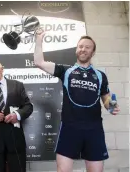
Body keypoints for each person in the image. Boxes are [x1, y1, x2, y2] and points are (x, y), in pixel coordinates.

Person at [34, 29, 120, 172]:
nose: (83, 49)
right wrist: (38, 39)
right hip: (70, 127)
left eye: (87, 47)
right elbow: (39, 62)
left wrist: (112, 106)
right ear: (76, 50)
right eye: (80, 46)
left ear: (92, 52)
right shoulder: (66, 71)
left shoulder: (100, 75)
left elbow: (106, 98)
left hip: (94, 129)